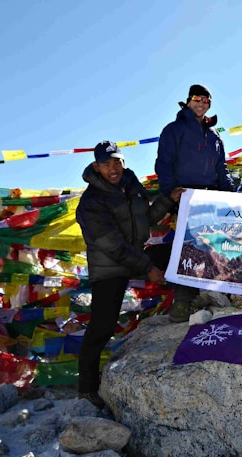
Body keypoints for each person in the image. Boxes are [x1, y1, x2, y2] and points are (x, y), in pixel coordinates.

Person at [76, 140, 184, 407]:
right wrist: (148, 269)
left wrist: (168, 199)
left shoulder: (130, 185)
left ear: (123, 162)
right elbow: (112, 245)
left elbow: (145, 218)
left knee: (179, 252)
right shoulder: (90, 202)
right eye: (106, 164)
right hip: (109, 267)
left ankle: (188, 304)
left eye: (117, 162)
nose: (113, 169)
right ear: (96, 167)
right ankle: (87, 387)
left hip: (135, 255)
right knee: (102, 326)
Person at [155, 84, 234, 322]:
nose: (201, 104)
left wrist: (231, 194)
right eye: (197, 99)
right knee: (188, 249)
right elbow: (164, 163)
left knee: (214, 248)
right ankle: (182, 303)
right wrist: (171, 192)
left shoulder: (214, 135)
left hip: (211, 197)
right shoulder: (174, 130)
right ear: (188, 101)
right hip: (186, 195)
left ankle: (212, 299)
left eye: (206, 100)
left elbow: (221, 167)